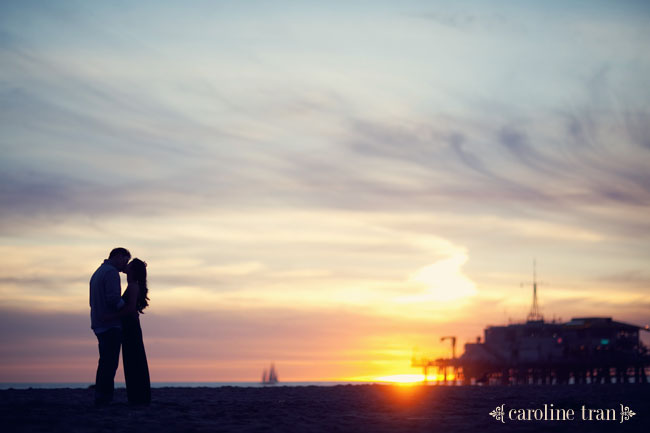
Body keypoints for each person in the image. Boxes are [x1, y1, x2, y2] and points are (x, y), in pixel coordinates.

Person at [89, 247, 130, 406]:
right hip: (110, 324)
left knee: (105, 361)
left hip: (99, 322)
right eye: (125, 261)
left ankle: (101, 394)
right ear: (118, 256)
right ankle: (104, 396)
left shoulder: (98, 272)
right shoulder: (111, 273)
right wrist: (127, 310)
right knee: (110, 363)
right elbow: (113, 298)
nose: (124, 266)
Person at [116, 258, 151, 405]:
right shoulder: (132, 286)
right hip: (130, 326)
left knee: (133, 360)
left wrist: (110, 316)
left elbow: (130, 309)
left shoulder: (133, 286)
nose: (126, 265)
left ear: (133, 271)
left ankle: (138, 396)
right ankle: (138, 395)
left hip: (131, 327)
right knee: (133, 360)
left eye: (129, 265)